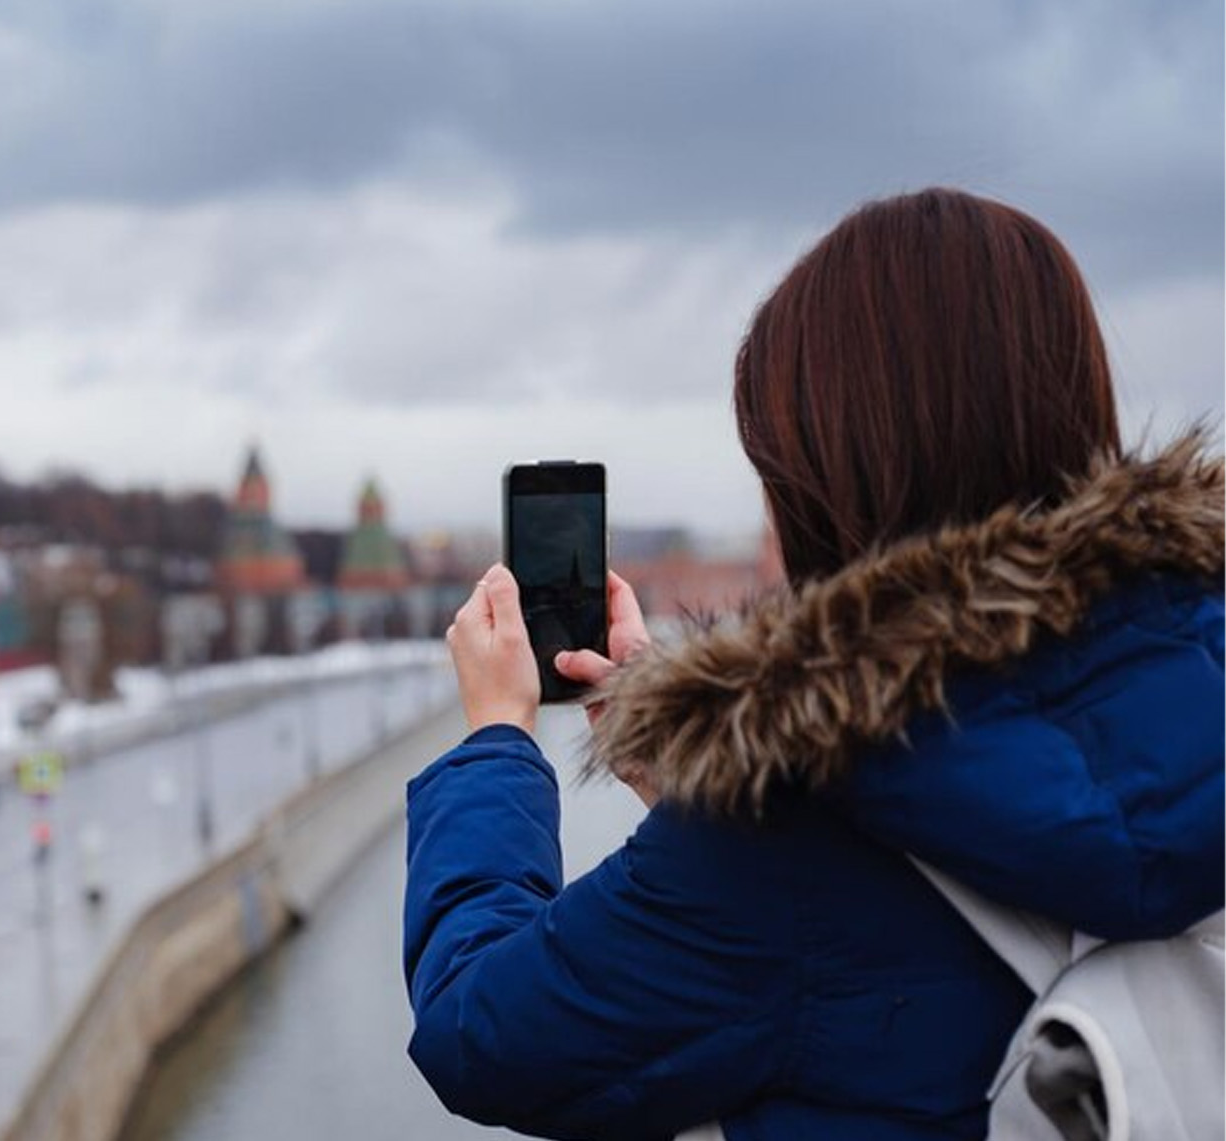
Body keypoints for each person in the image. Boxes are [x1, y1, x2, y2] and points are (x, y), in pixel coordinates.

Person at [404, 188, 1223, 1140]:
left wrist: (496, 741)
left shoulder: (780, 844)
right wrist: (692, 775)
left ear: (835, 486)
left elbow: (481, 1031)